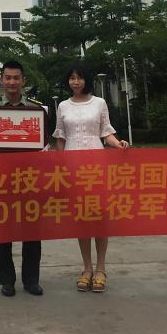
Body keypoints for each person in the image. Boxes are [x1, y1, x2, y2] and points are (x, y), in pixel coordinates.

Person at [53, 61, 129, 293]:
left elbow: (106, 132)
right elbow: (60, 137)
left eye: (79, 77)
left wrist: (118, 144)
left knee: (100, 216)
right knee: (82, 218)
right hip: (74, 168)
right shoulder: (63, 106)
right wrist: (61, 166)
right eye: (72, 78)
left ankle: (101, 268)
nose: (75, 82)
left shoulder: (99, 103)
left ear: (86, 80)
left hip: (96, 167)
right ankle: (86, 268)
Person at [0, 60, 49, 297]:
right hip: (2, 179)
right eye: (7, 78)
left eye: (16, 78)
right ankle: (7, 281)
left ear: (23, 81)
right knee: (3, 230)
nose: (12, 82)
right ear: (1, 80)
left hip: (30, 178)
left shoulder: (38, 109)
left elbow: (43, 140)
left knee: (32, 231)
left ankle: (31, 280)